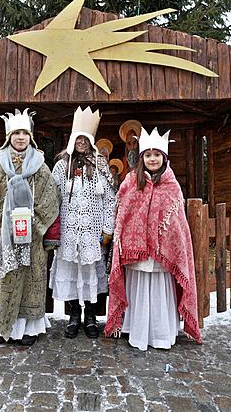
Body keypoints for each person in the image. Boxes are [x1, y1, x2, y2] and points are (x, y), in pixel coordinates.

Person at [105, 126, 201, 350]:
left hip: (163, 253)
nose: (152, 159)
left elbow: (177, 222)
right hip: (135, 252)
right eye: (148, 155)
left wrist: (167, 241)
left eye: (157, 155)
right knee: (138, 289)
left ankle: (161, 334)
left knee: (159, 290)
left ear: (164, 157)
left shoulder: (172, 185)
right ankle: (136, 332)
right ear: (142, 158)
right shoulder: (130, 181)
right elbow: (122, 211)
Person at [0, 108, 60, 346]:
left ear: (30, 136)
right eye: (16, 133)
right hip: (4, 236)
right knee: (5, 279)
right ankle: (3, 326)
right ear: (9, 137)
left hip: (32, 235)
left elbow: (51, 199)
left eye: (24, 133)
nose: (20, 137)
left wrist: (45, 232)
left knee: (31, 280)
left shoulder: (41, 165)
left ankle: (29, 330)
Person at [49, 106, 115, 339]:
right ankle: (74, 315)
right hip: (68, 233)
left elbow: (110, 199)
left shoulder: (100, 165)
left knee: (90, 276)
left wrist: (108, 228)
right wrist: (53, 230)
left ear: (91, 141)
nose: (81, 143)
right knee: (72, 275)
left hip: (93, 234)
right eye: (78, 138)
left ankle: (90, 317)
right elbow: (51, 198)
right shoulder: (61, 166)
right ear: (72, 139)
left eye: (85, 139)